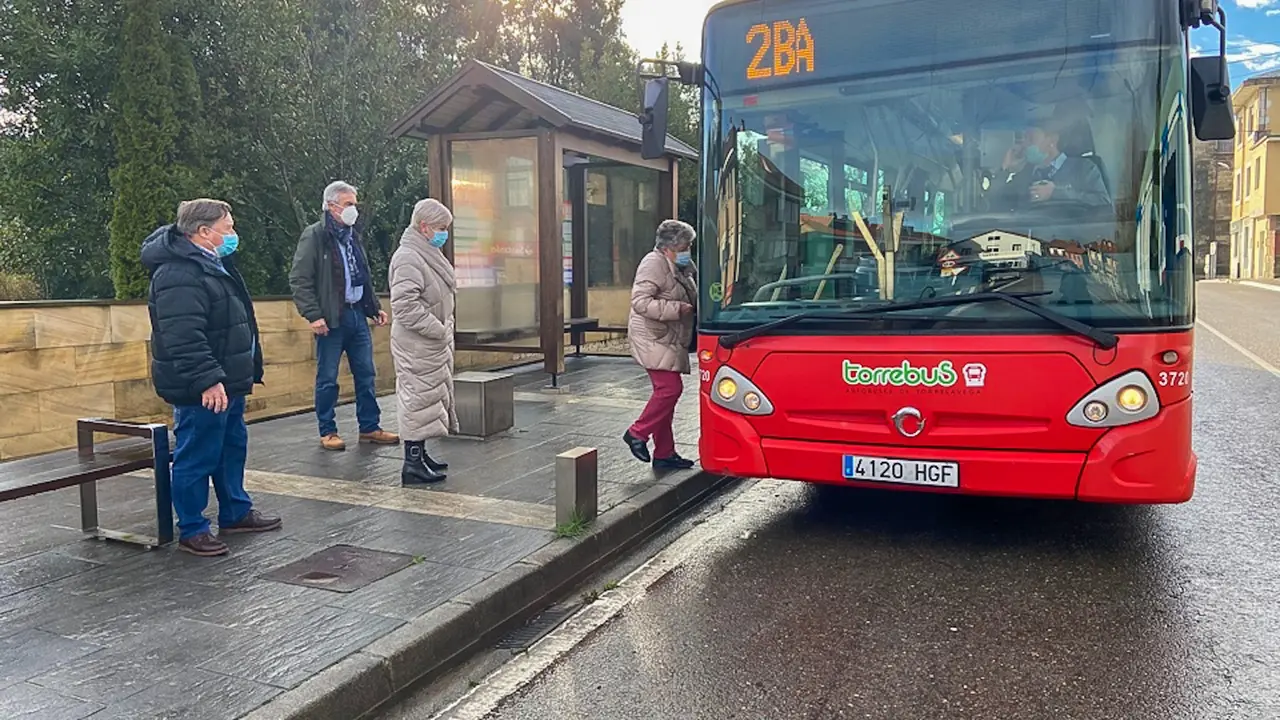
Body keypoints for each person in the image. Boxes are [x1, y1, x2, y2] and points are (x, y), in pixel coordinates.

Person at [142, 199, 281, 556]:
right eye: (228, 228)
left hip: (227, 380)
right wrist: (207, 379)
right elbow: (183, 335)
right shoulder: (178, 273)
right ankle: (192, 527)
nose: (233, 235)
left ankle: (235, 511)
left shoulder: (213, 263)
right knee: (198, 453)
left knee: (231, 448)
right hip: (202, 386)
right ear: (203, 232)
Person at [289, 180, 399, 451]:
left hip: (356, 316)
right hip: (331, 319)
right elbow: (300, 279)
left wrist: (373, 308)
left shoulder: (352, 236)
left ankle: (370, 427)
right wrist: (313, 315)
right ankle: (328, 431)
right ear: (331, 206)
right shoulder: (314, 236)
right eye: (349, 204)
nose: (354, 210)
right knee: (327, 377)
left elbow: (361, 275)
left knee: (366, 373)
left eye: (354, 204)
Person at [388, 199, 458, 485]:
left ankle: (420, 454)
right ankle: (412, 462)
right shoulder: (408, 257)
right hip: (418, 342)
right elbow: (404, 306)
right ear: (424, 227)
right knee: (416, 398)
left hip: (429, 342)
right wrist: (438, 329)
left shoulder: (427, 252)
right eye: (441, 228)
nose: (444, 233)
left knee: (427, 398)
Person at [622, 219, 699, 470]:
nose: (689, 250)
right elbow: (640, 302)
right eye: (686, 245)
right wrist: (677, 309)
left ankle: (665, 452)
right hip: (652, 337)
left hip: (667, 337)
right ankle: (637, 433)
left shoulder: (679, 265)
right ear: (670, 247)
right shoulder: (653, 263)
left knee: (666, 394)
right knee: (669, 390)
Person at [997, 119, 1112, 210]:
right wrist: (1006, 169)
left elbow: (1103, 202)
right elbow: (993, 204)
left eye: (1031, 139)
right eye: (1024, 139)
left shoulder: (1084, 168)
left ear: (1052, 140)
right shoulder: (1024, 174)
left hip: (1073, 238)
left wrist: (1056, 193)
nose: (1025, 144)